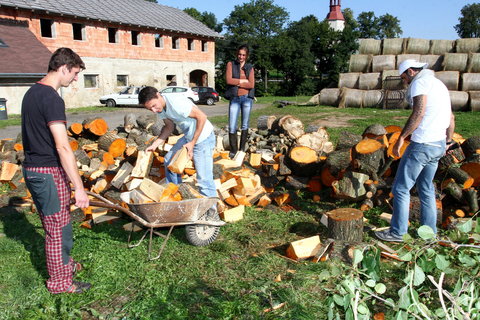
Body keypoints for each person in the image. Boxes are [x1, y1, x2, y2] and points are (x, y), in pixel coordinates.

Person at [21, 48, 91, 293]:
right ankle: (60, 284)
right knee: (58, 231)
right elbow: (62, 146)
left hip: (33, 170)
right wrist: (79, 188)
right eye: (74, 73)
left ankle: (65, 265)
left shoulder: (32, 92)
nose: (75, 79)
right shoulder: (52, 98)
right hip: (48, 172)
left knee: (54, 225)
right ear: (63, 68)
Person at [375, 59, 455, 242]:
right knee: (426, 188)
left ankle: (397, 233)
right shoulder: (439, 84)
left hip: (422, 145)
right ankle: (429, 234)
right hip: (438, 144)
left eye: (404, 77)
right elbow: (451, 116)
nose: (404, 81)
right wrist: (449, 141)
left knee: (401, 188)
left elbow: (419, 112)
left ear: (411, 71)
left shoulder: (420, 82)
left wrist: (402, 137)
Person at [138, 86, 217, 200]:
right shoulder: (161, 108)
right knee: (170, 162)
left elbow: (202, 117)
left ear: (158, 95)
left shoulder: (176, 103)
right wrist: (154, 145)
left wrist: (192, 143)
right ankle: (176, 196)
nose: (154, 111)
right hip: (189, 136)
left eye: (154, 106)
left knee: (204, 178)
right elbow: (169, 127)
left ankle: (211, 212)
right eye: (150, 109)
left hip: (203, 137)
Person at [225, 44, 255, 158]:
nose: (241, 57)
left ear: (246, 56)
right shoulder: (231, 64)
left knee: (245, 125)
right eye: (239, 54)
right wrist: (243, 81)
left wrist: (237, 81)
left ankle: (242, 150)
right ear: (236, 54)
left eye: (243, 55)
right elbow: (228, 80)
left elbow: (251, 84)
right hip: (234, 98)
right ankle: (233, 151)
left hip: (247, 98)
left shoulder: (249, 67)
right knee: (232, 125)